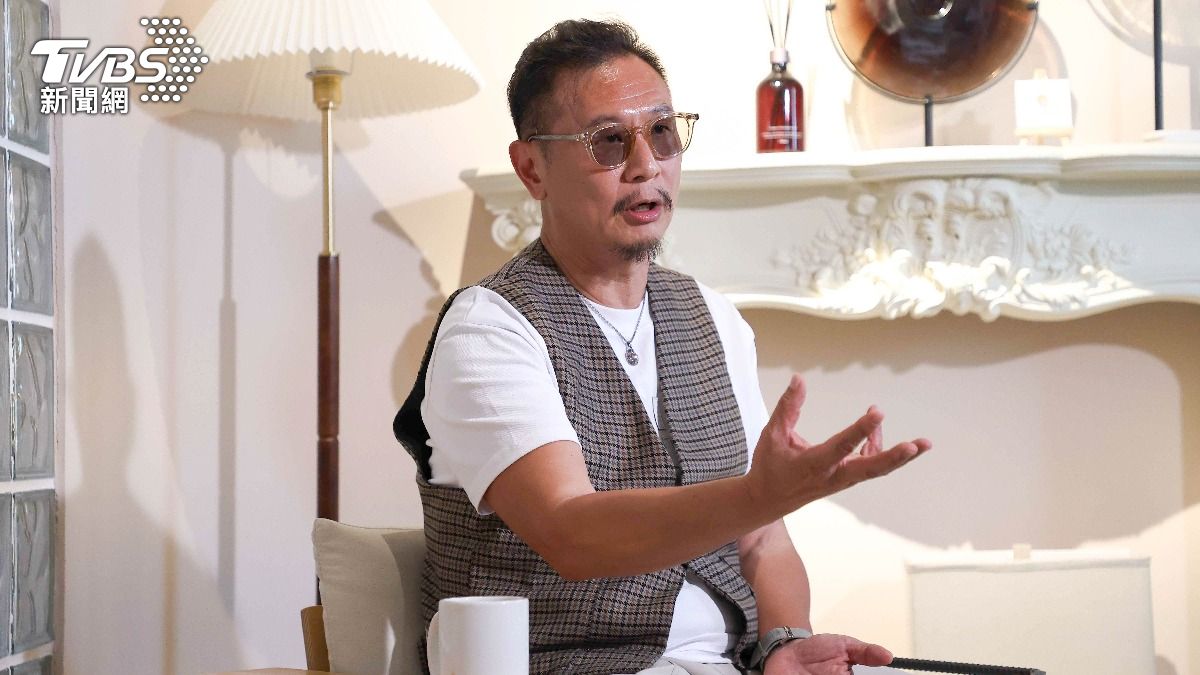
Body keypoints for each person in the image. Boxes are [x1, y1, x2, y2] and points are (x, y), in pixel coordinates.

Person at [394, 18, 932, 675]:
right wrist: (762, 494)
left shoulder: (712, 317)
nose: (646, 165)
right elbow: (572, 533)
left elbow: (762, 540)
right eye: (609, 141)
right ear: (532, 168)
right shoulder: (489, 329)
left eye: (662, 132)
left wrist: (785, 643)